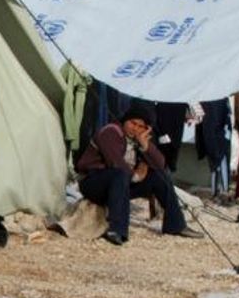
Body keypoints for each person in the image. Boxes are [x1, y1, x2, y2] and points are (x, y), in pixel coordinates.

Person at [75, 105, 202, 245]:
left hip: (120, 185)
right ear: (125, 121)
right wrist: (135, 176)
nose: (135, 128)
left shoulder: (138, 140)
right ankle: (116, 230)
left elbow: (160, 164)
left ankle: (176, 225)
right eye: (132, 123)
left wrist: (146, 146)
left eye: (140, 126)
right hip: (94, 182)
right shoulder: (111, 132)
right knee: (120, 174)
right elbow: (115, 163)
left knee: (159, 176)